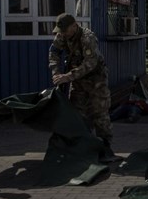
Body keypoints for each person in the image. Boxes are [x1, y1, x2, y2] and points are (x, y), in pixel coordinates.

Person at [48, 13, 115, 158]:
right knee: (78, 112)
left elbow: (91, 63)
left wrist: (67, 77)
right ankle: (84, 143)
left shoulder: (87, 37)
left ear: (74, 26)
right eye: (61, 31)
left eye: (65, 30)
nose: (63, 34)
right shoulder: (62, 35)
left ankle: (105, 145)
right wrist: (56, 72)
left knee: (100, 111)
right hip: (77, 80)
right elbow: (53, 53)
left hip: (96, 79)